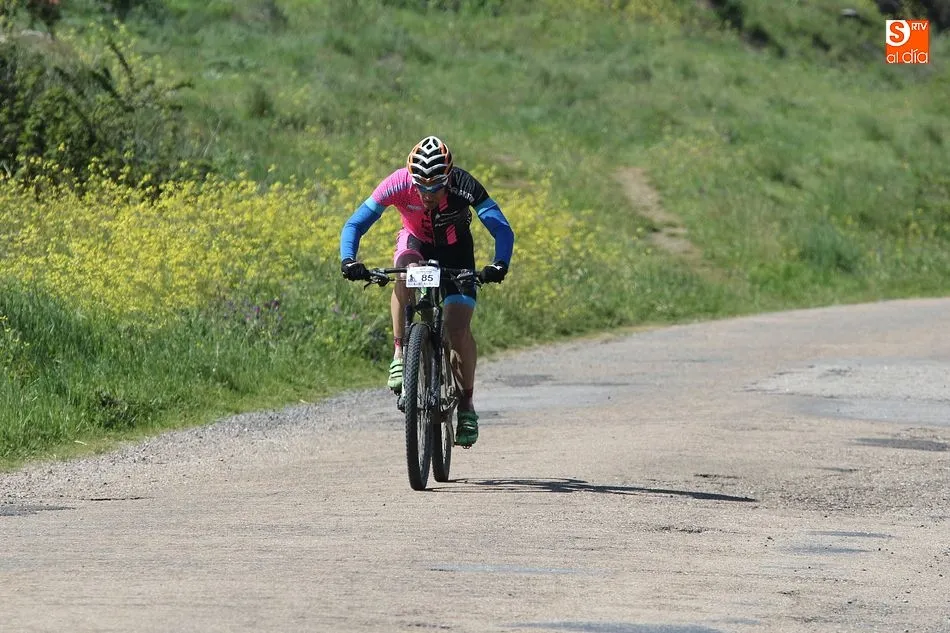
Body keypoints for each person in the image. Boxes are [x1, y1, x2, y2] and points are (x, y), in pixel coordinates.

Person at [339, 136, 514, 448]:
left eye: (436, 187)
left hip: (456, 252)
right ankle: (400, 353)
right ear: (411, 177)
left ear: (448, 178)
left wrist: (499, 263)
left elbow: (501, 227)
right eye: (421, 186)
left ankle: (466, 405)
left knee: (457, 328)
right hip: (415, 242)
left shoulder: (465, 185)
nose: (427, 194)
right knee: (404, 273)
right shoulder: (397, 183)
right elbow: (355, 224)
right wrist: (349, 260)